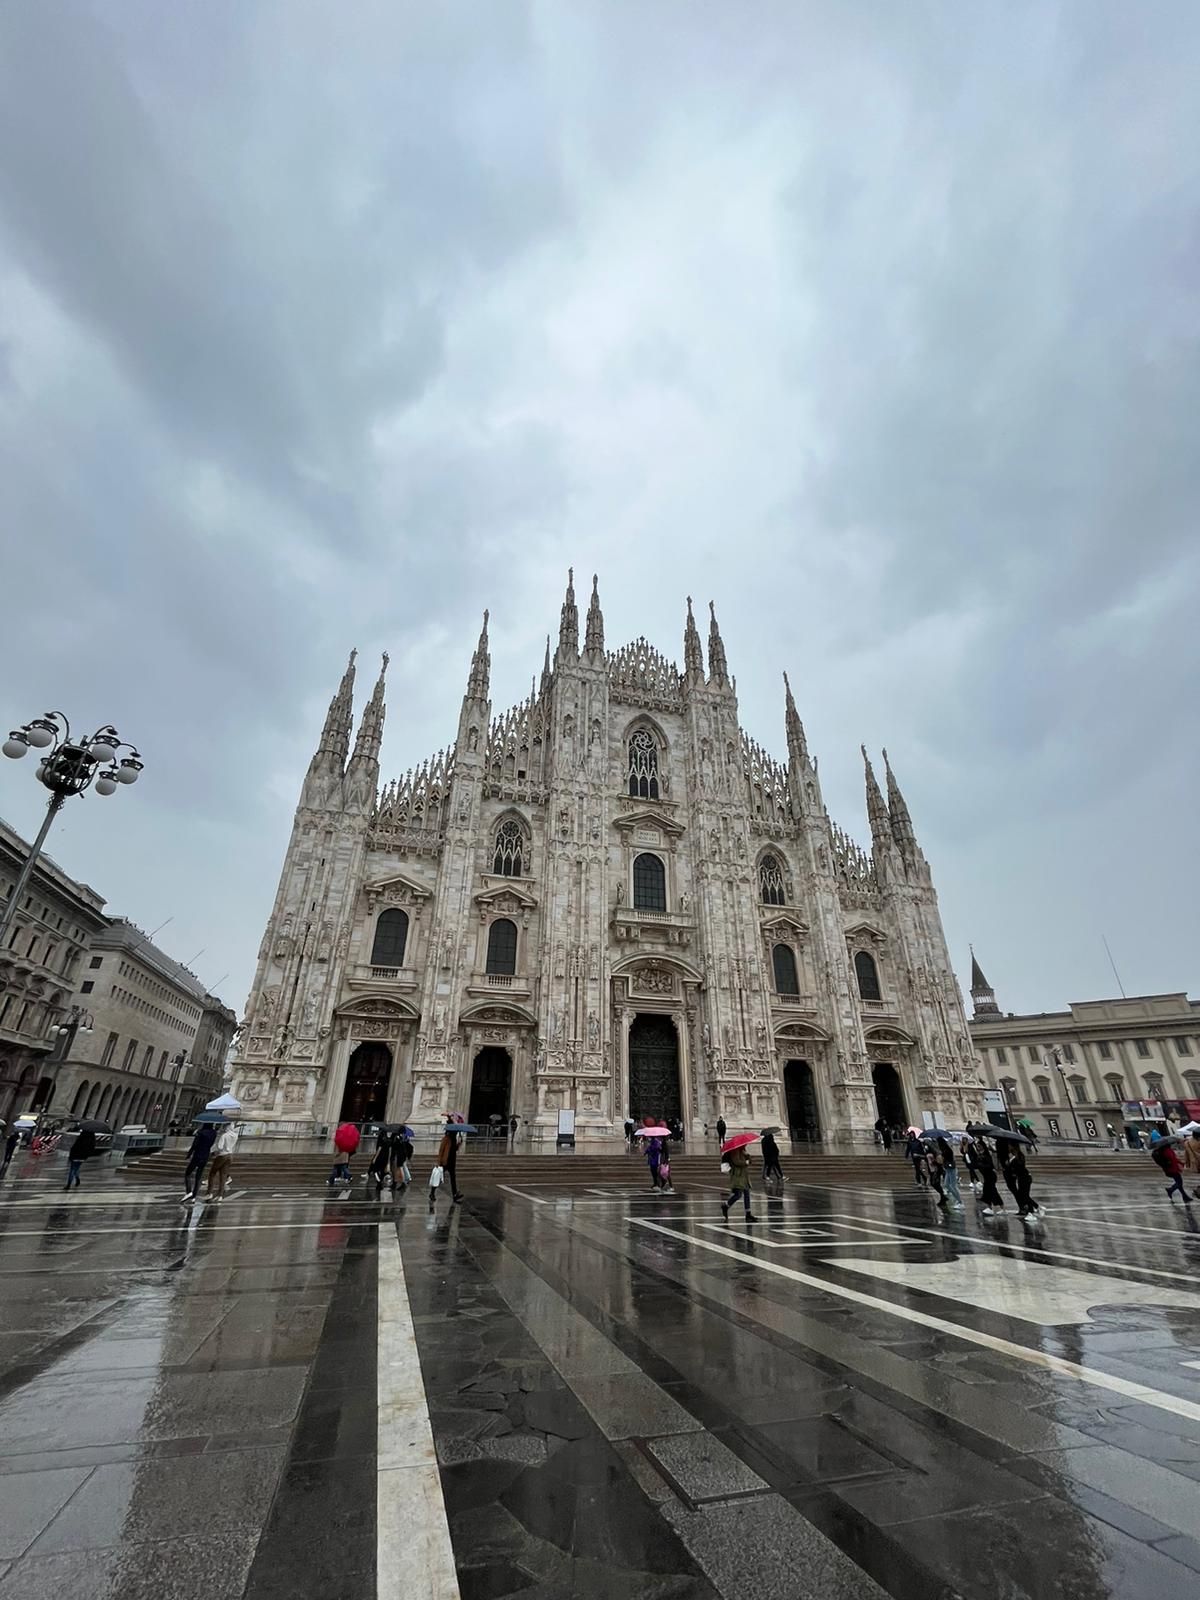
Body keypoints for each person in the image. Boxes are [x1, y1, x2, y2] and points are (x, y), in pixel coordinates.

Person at [1002, 1143, 1043, 1221]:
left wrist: (1011, 1163)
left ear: (1014, 1147)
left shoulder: (1020, 1156)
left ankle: (1034, 1210)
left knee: (1025, 1195)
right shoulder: (1012, 1156)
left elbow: (1020, 1167)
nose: (1008, 1147)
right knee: (1023, 1195)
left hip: (1025, 1178)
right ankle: (1035, 1208)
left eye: (1010, 1145)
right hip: (1020, 1178)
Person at [181, 1121, 218, 1204]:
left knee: (188, 1173)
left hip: (197, 1155)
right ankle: (194, 1196)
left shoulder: (201, 1132)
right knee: (198, 1177)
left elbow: (195, 1145)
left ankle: (189, 1191)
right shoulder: (214, 1133)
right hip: (205, 1156)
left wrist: (189, 1154)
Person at [1149, 1133, 1192, 1203]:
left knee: (1179, 1182)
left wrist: (1181, 1163)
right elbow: (1173, 1160)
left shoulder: (1163, 1150)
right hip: (1172, 1169)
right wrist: (1180, 1164)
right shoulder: (1167, 1151)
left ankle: (1185, 1196)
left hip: (1168, 1168)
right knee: (1179, 1183)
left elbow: (1173, 1159)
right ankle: (1170, 1190)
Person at [720, 1143, 758, 1222]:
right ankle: (726, 1206)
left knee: (747, 1194)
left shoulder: (742, 1150)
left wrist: (747, 1156)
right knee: (738, 1195)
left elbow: (749, 1161)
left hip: (744, 1176)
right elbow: (736, 1162)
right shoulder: (735, 1151)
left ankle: (748, 1214)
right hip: (737, 1176)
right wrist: (745, 1162)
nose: (746, 1145)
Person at [430, 1121, 464, 1207]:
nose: (456, 1133)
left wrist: (459, 1143)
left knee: (453, 1179)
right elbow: (441, 1151)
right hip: (445, 1162)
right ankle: (432, 1193)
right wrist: (438, 1161)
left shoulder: (453, 1139)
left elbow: (454, 1149)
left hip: (452, 1161)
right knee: (438, 1178)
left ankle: (455, 1195)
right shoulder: (446, 1139)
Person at [206, 1119, 240, 1200]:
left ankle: (209, 1193)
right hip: (230, 1155)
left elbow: (220, 1147)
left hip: (222, 1155)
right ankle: (220, 1195)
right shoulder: (235, 1135)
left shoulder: (224, 1135)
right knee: (223, 1176)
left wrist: (214, 1152)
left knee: (212, 1173)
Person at [974, 1138, 1005, 1215]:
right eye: (977, 1146)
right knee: (987, 1191)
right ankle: (989, 1207)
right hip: (986, 1176)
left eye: (979, 1146)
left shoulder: (986, 1155)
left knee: (992, 1191)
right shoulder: (980, 1155)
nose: (978, 1148)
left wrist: (981, 1164)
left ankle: (1001, 1207)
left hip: (990, 1175)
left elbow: (990, 1165)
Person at [329, 1120, 360, 1193]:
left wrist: (335, 1155)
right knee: (342, 1167)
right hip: (345, 1156)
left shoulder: (340, 1137)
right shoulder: (347, 1138)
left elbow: (337, 1149)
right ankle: (337, 1178)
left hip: (340, 1156)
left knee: (338, 1168)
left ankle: (334, 1179)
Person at [64, 1125, 97, 1190]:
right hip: (83, 1156)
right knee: (76, 1168)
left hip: (75, 1155)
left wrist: (70, 1156)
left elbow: (74, 1147)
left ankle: (69, 1184)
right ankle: (77, 1179)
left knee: (72, 1169)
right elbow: (92, 1149)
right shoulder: (92, 1139)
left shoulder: (81, 1137)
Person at [936, 1136, 963, 1209]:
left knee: (953, 1185)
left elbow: (941, 1160)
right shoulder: (945, 1150)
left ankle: (960, 1201)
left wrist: (941, 1156)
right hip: (948, 1169)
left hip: (951, 1169)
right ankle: (957, 1199)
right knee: (947, 1184)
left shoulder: (946, 1151)